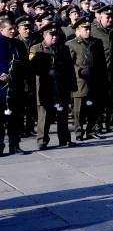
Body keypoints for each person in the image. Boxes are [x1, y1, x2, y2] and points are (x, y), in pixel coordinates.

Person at [30, 22, 77, 150]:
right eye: (51, 34)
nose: (54, 37)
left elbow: (70, 69)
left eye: (56, 34)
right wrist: (47, 71)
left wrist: (72, 86)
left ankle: (65, 139)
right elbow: (32, 68)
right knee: (44, 116)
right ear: (44, 35)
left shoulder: (63, 49)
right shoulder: (36, 48)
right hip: (44, 88)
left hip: (60, 87)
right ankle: (42, 141)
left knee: (62, 115)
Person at [66, 17, 108, 140]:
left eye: (89, 29)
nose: (88, 31)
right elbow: (68, 64)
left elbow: (102, 63)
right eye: (85, 29)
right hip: (79, 82)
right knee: (79, 110)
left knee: (93, 108)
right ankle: (79, 132)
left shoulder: (97, 42)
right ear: (79, 30)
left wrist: (103, 78)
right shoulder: (72, 44)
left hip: (94, 80)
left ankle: (91, 130)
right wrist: (79, 70)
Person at [91, 5, 113, 133]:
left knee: (112, 99)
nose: (110, 19)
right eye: (107, 17)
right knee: (98, 100)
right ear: (101, 16)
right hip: (99, 71)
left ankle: (111, 124)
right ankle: (97, 125)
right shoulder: (94, 30)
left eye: (112, 17)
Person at [0, 19, 26, 156]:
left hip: (16, 87)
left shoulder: (19, 44)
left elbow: (25, 64)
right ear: (1, 29)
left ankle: (15, 145)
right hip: (1, 88)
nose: (13, 31)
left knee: (15, 118)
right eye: (10, 29)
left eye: (14, 28)